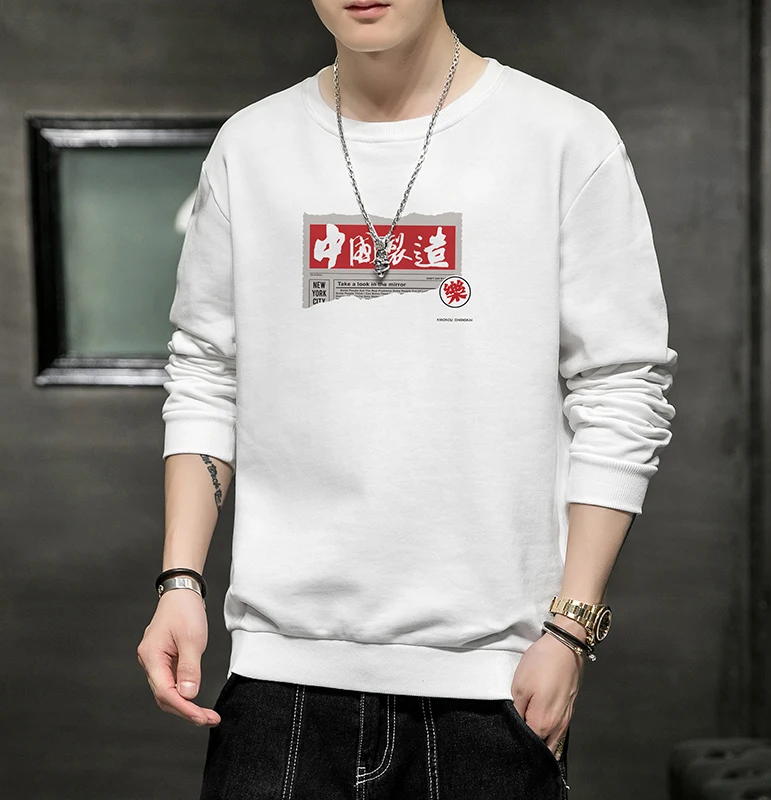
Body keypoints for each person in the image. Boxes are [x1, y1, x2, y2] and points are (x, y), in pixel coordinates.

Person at [136, 0, 678, 797]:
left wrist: (571, 628)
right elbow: (207, 372)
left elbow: (622, 385)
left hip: (494, 693)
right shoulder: (250, 149)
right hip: (279, 688)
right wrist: (180, 580)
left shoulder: (563, 139)